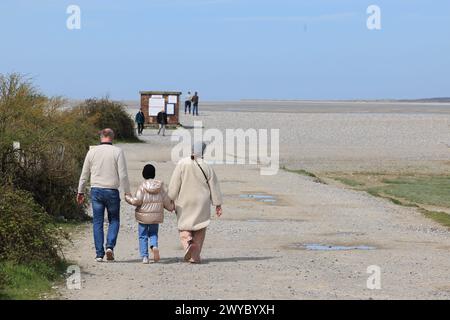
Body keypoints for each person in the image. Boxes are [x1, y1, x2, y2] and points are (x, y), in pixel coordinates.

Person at [77, 128, 131, 262]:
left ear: (100, 137)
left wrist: (80, 191)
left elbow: (84, 175)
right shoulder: (117, 151)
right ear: (112, 137)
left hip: (96, 191)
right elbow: (123, 175)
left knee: (97, 222)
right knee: (114, 220)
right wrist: (127, 192)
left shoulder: (92, 152)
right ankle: (110, 246)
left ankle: (99, 254)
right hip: (112, 191)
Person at [168, 142, 223, 264]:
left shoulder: (182, 163)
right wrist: (218, 204)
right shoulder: (207, 166)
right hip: (202, 201)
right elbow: (214, 186)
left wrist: (170, 198)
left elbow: (174, 183)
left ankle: (188, 242)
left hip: (184, 200)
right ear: (204, 151)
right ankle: (195, 255)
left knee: (184, 226)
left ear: (192, 149)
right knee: (200, 227)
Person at [125, 164, 175, 264]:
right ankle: (154, 245)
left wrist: (128, 198)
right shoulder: (160, 187)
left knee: (143, 235)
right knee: (153, 233)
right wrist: (172, 208)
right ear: (154, 174)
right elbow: (166, 201)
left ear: (143, 174)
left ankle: (145, 257)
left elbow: (137, 201)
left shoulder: (142, 187)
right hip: (155, 217)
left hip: (143, 217)